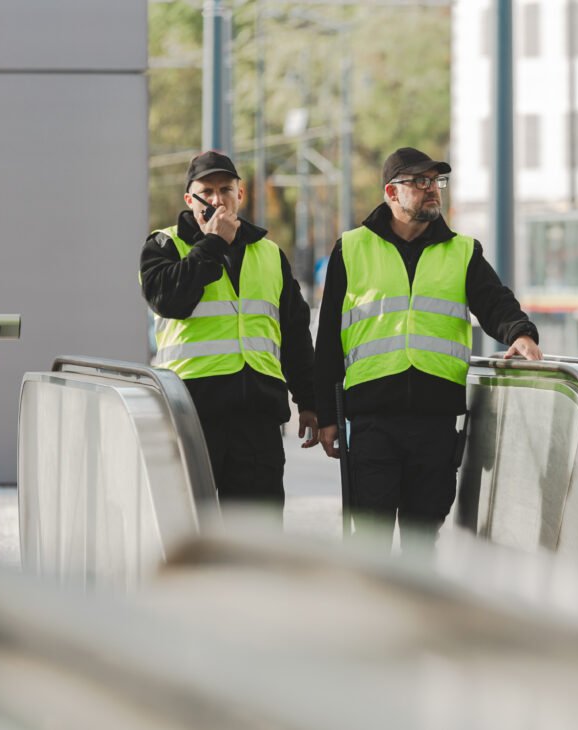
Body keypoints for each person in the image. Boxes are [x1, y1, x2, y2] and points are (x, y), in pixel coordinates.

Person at [314, 146, 542, 552]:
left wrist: (520, 334)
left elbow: (495, 303)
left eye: (436, 181)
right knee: (369, 542)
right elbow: (329, 337)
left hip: (435, 424)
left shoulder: (462, 252)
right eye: (419, 182)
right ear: (391, 192)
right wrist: (327, 417)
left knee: (422, 545)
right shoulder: (351, 248)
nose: (432, 189)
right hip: (372, 422)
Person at [141, 150, 319, 520]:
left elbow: (295, 332)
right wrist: (213, 244)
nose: (218, 199)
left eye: (226, 189)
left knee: (257, 540)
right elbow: (169, 299)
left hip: (258, 416)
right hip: (192, 412)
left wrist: (310, 401)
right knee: (193, 532)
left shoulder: (269, 253)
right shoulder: (163, 245)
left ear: (241, 195)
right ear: (190, 200)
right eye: (207, 191)